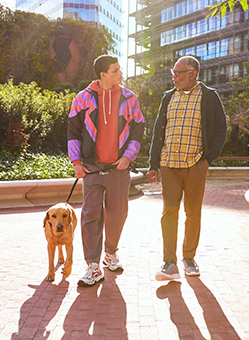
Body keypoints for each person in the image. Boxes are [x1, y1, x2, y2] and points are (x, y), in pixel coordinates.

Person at [147, 56, 227, 281]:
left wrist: (207, 161)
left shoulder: (210, 97)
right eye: (174, 72)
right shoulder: (167, 97)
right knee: (169, 213)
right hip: (169, 164)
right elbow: (157, 132)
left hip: (195, 165)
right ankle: (169, 263)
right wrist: (154, 165)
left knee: (193, 213)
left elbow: (221, 130)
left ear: (192, 73)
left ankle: (189, 258)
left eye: (178, 72)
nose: (174, 76)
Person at [68, 55, 145, 287]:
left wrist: (128, 157)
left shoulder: (130, 98)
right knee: (90, 216)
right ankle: (93, 266)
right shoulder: (83, 98)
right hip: (91, 170)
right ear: (102, 74)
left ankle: (110, 253)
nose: (120, 74)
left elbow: (138, 130)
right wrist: (76, 162)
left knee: (117, 214)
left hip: (118, 169)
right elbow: (73, 131)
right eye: (115, 70)